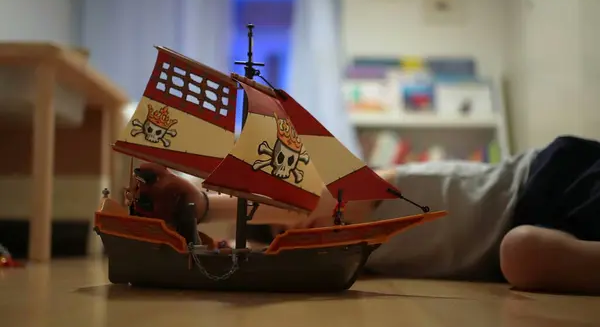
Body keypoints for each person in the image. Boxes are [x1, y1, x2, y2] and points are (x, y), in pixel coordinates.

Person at [147, 136, 600, 295]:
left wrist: (205, 206)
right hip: (533, 233)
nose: (306, 226)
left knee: (521, 252)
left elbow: (318, 200)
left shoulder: (369, 191)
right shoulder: (349, 255)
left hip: (546, 180)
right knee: (522, 253)